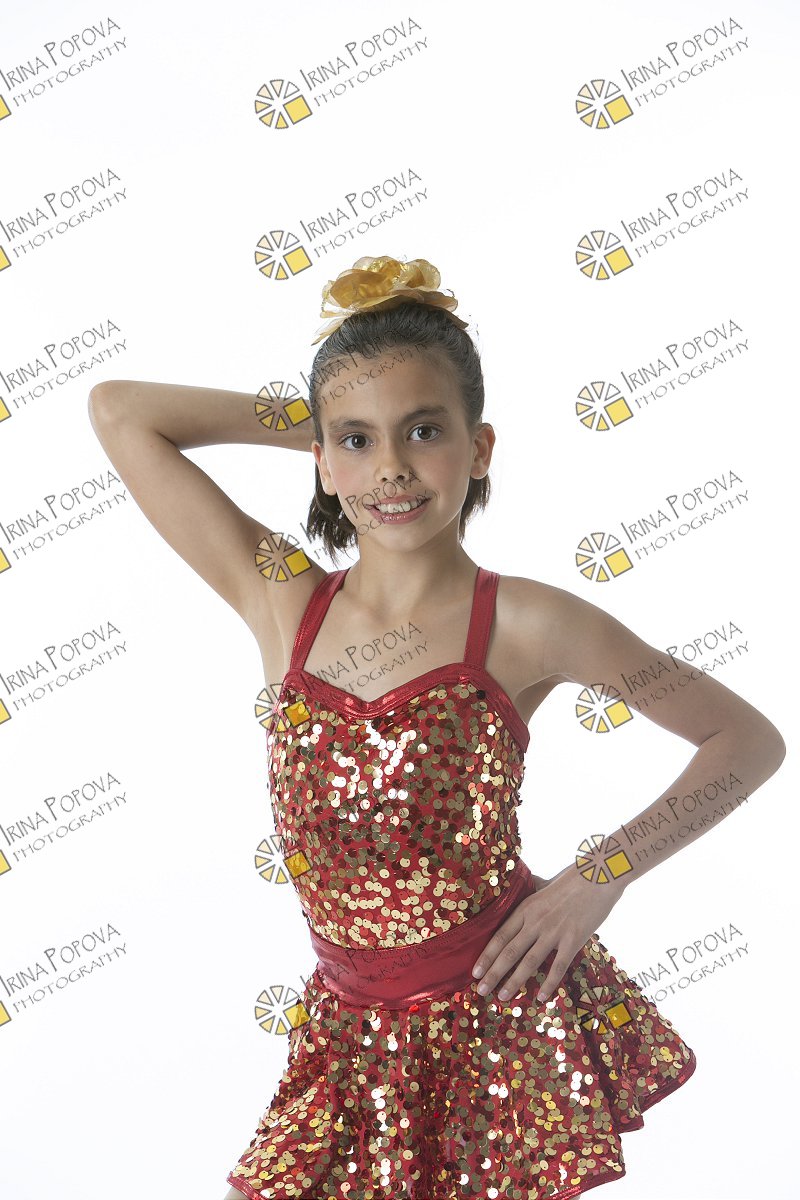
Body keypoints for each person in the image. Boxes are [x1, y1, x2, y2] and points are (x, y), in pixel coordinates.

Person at [88, 255, 785, 1200]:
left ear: (480, 446)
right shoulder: (282, 598)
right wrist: (325, 416)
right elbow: (121, 413)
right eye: (358, 443)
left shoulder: (529, 622)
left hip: (496, 1019)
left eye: (424, 431)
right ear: (323, 459)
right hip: (347, 1035)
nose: (392, 469)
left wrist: (600, 875)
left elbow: (746, 743)